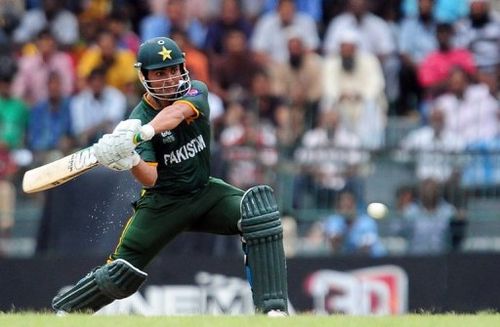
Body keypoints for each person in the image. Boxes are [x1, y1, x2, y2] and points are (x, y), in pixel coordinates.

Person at [51, 37, 288, 316]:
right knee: (121, 274)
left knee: (258, 213)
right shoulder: (137, 117)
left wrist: (140, 134)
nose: (169, 79)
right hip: (163, 203)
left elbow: (177, 113)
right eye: (160, 73)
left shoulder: (195, 91)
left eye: (174, 70)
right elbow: (150, 178)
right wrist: (131, 158)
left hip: (204, 193)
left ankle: (273, 312)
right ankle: (65, 311)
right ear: (144, 76)